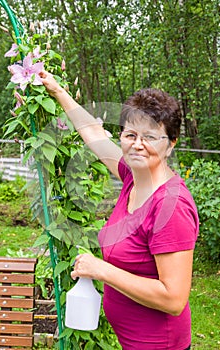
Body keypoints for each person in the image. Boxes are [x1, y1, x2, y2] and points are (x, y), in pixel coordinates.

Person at [40, 71, 199, 350]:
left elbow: (174, 299)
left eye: (150, 136)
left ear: (171, 144)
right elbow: (92, 132)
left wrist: (103, 270)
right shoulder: (132, 176)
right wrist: (58, 91)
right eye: (130, 134)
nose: (138, 144)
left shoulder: (170, 206)